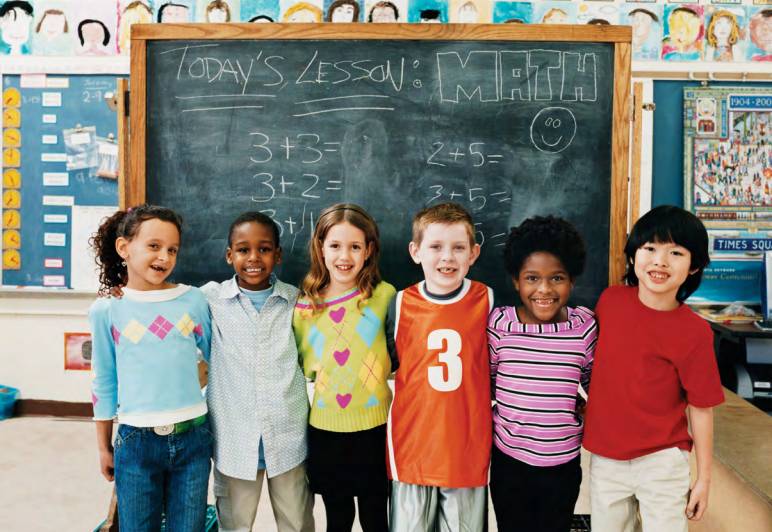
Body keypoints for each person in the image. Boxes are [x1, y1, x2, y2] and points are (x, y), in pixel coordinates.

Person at [583, 205, 724, 532]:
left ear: (694, 266)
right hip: (607, 458)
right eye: (650, 248)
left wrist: (704, 479)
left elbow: (701, 409)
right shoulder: (610, 302)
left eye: (676, 252)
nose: (660, 261)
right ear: (633, 255)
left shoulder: (695, 332)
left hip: (662, 461)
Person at [89, 204, 213, 531]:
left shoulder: (193, 300)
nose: (164, 257)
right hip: (136, 441)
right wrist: (103, 447)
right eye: (154, 246)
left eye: (172, 250)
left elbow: (217, 357)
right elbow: (103, 380)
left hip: (193, 437)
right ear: (124, 248)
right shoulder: (107, 309)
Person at [202, 212, 314, 532]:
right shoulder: (210, 300)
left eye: (264, 249)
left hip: (289, 438)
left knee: (297, 523)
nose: (253, 258)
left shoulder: (296, 301)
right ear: (229, 255)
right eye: (243, 250)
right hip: (234, 441)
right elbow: (166, 299)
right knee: (234, 524)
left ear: (278, 255)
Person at [487, 216, 597, 532]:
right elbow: (490, 383)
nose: (544, 289)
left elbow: (595, 383)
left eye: (557, 278)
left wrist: (584, 406)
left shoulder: (583, 327)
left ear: (572, 280)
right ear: (516, 281)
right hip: (510, 462)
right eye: (532, 278)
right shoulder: (500, 325)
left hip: (562, 464)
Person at [387, 203, 492, 532]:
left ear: (473, 253)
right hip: (412, 448)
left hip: (466, 451)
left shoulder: (487, 300)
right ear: (415, 251)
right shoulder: (399, 303)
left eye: (458, 247)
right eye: (435, 247)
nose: (447, 257)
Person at [293, 203, 395, 532]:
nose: (344, 256)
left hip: (376, 429)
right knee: (337, 519)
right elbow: (306, 365)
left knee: (375, 517)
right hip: (326, 431)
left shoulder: (385, 297)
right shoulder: (305, 307)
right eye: (335, 245)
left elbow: (396, 353)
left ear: (369, 250)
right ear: (320, 248)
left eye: (355, 247)